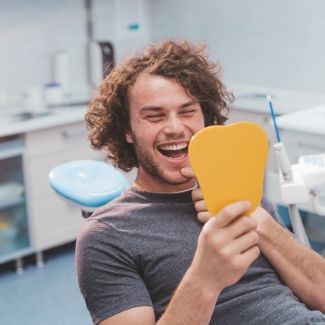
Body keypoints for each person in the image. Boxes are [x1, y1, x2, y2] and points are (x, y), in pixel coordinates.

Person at [76, 40, 325, 325]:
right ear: (127, 131)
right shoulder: (106, 236)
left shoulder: (239, 192)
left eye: (187, 111)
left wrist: (261, 222)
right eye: (154, 116)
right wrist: (205, 278)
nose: (175, 128)